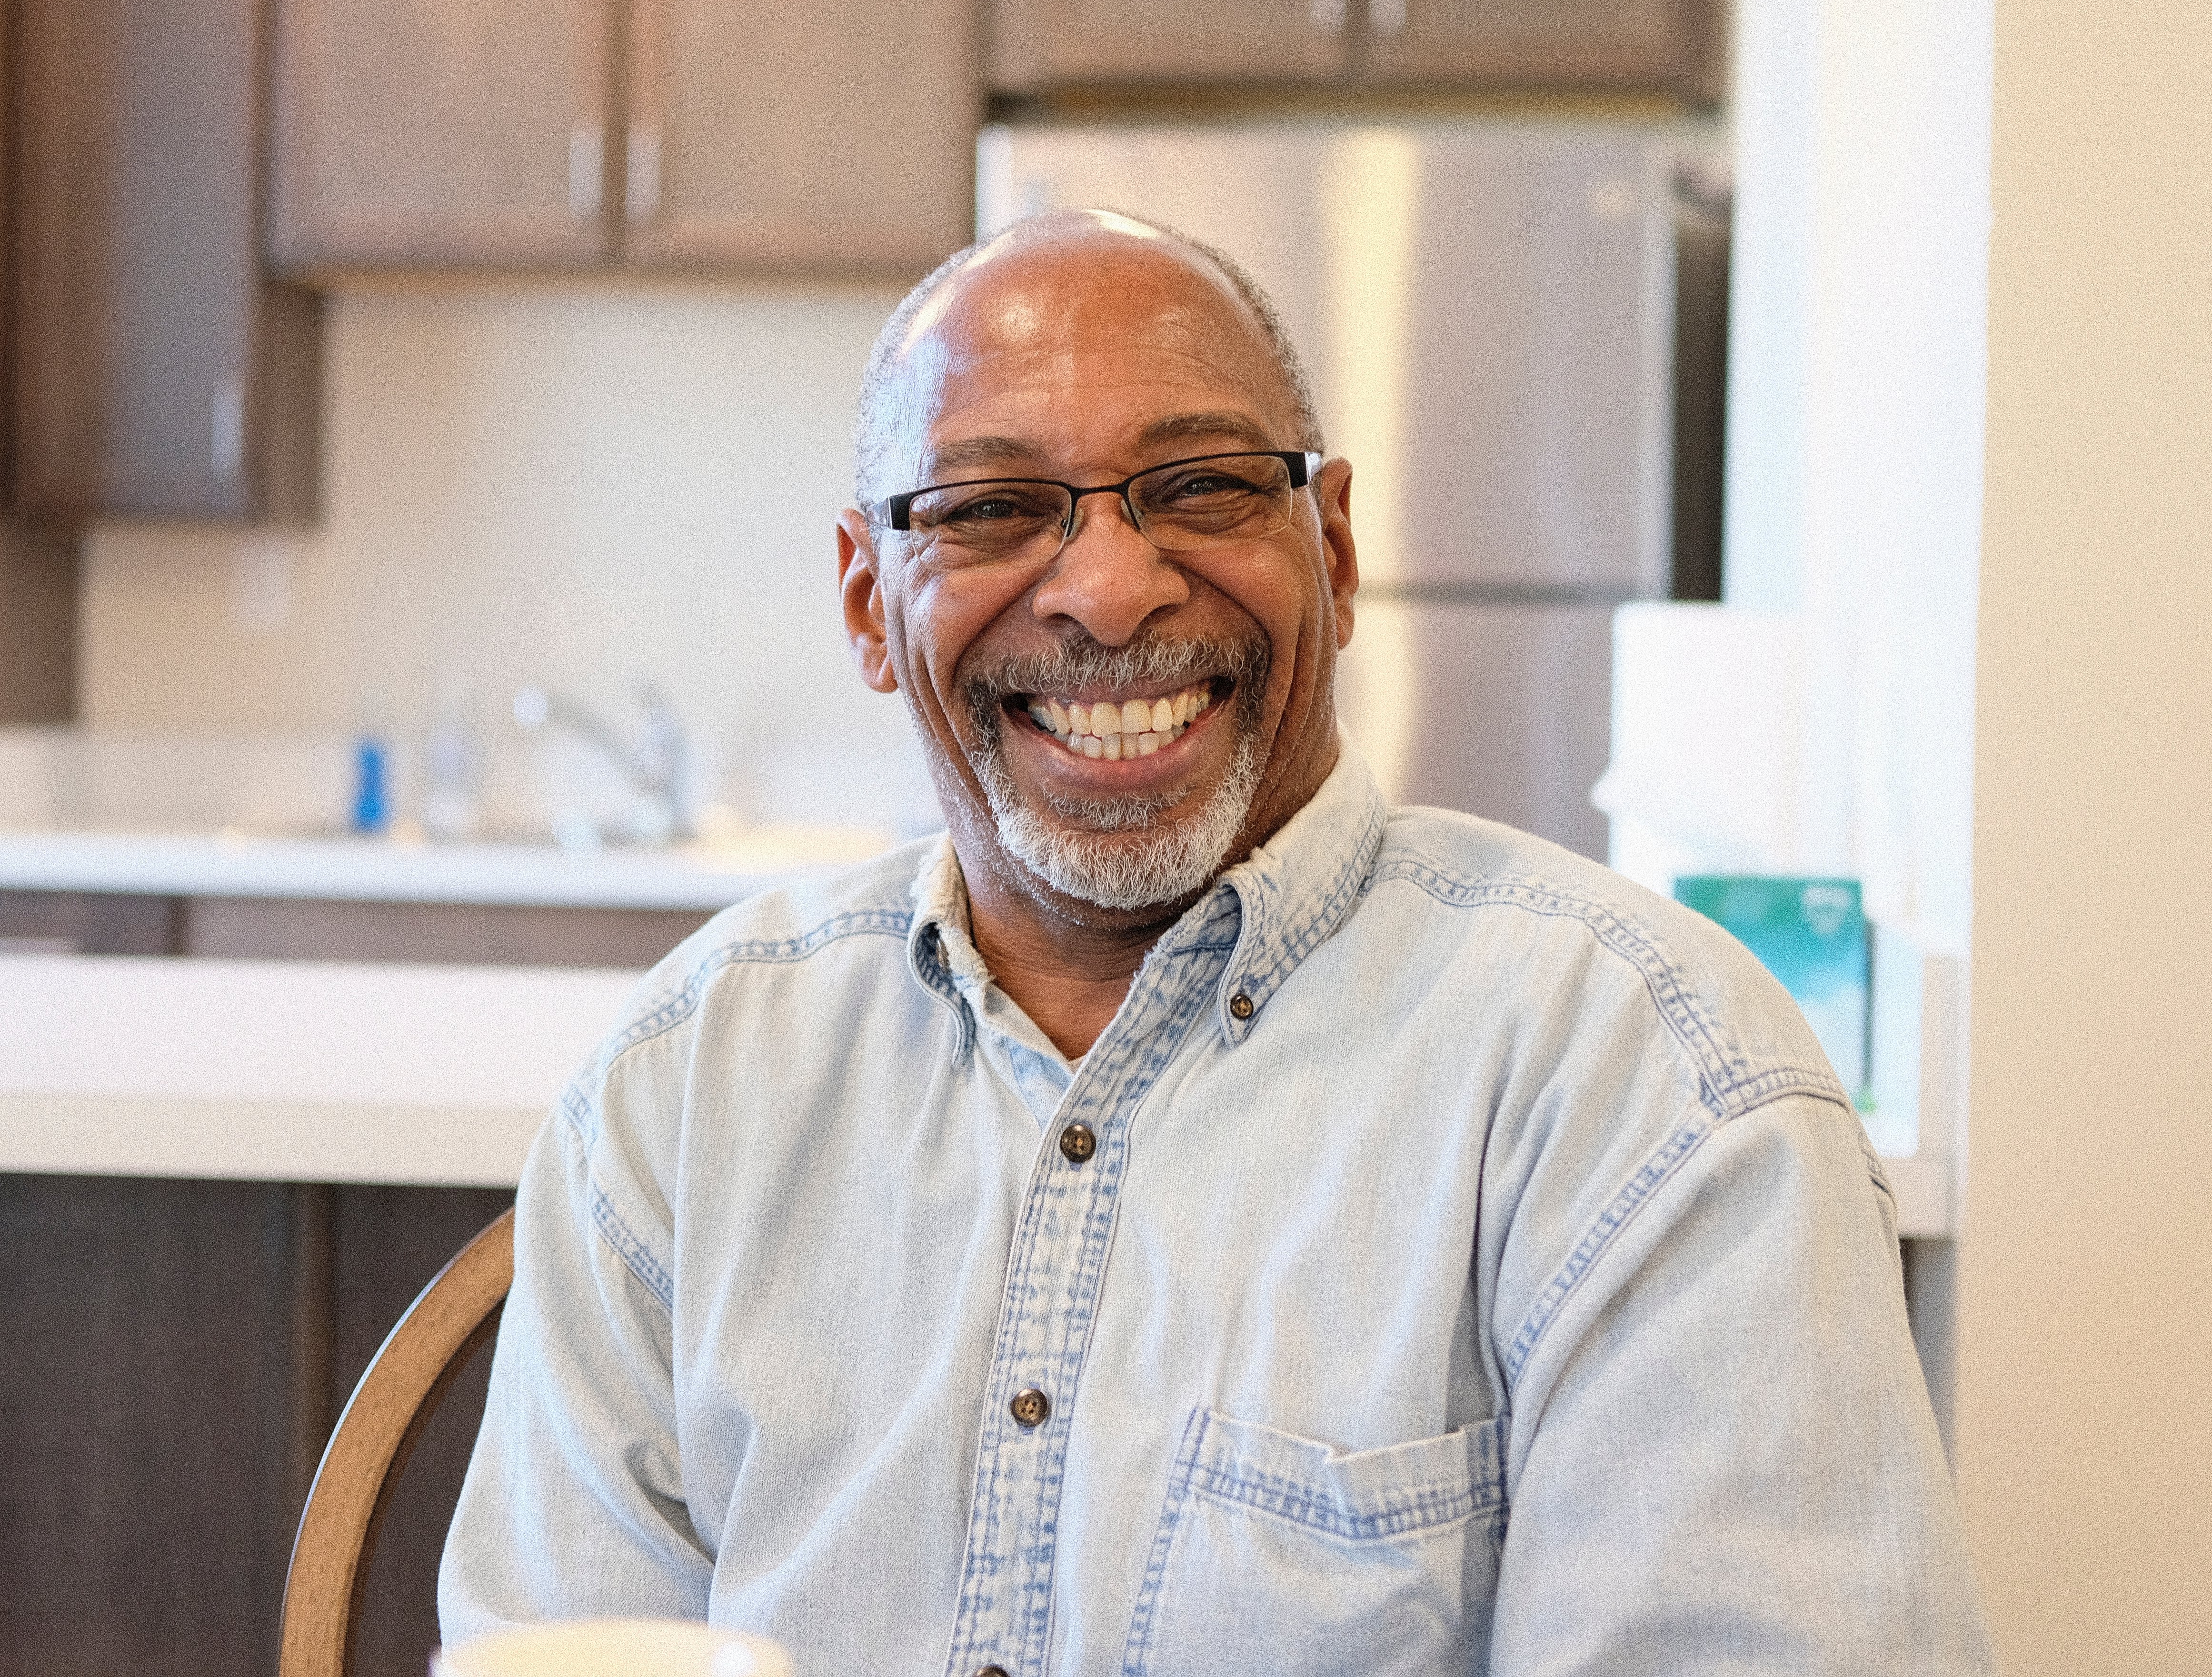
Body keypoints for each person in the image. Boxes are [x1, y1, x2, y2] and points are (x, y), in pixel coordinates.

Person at [439, 209, 1990, 1675]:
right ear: (866, 602)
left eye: (1202, 489)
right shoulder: (683, 1092)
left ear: (1334, 548)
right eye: (988, 508)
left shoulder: (1653, 1091)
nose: (1110, 592)